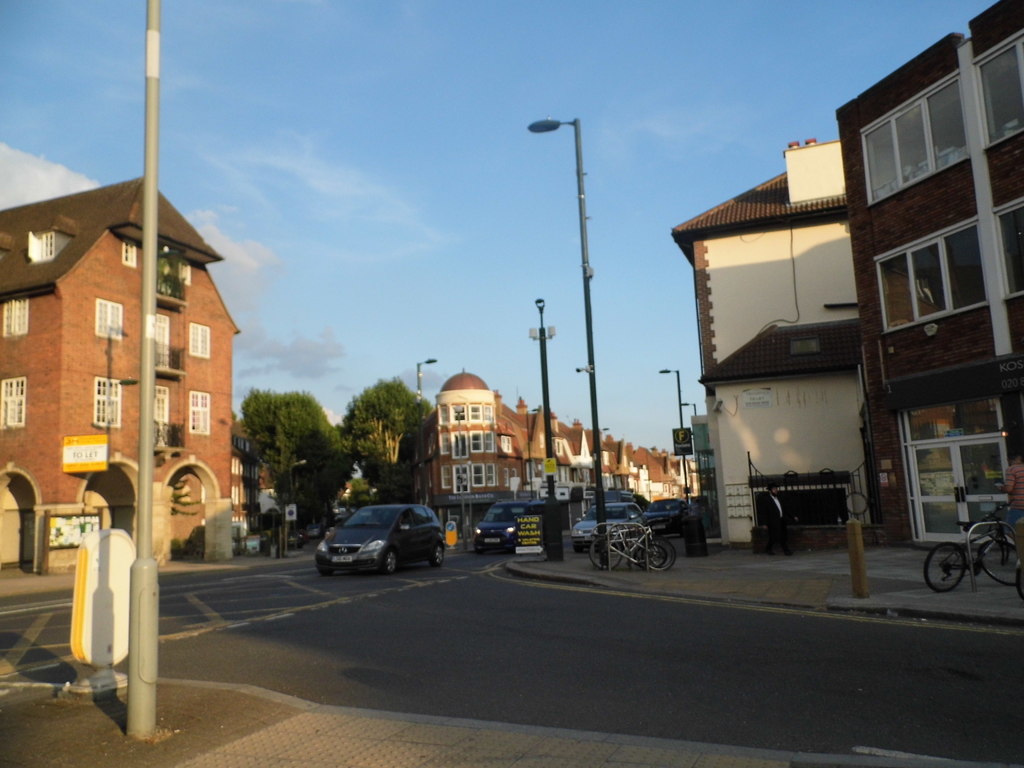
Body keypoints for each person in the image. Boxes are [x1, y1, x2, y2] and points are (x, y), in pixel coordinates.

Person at [756, 483, 797, 555]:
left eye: (776, 489)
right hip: (772, 522)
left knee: (781, 535)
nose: (776, 490)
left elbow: (785, 508)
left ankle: (769, 548)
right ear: (770, 491)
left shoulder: (779, 498)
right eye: (774, 489)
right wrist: (764, 523)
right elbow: (764, 512)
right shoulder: (766, 500)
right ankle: (786, 551)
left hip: (781, 520)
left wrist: (793, 516)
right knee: (776, 536)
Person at [998, 454, 1024, 529]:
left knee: (1009, 529)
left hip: (1019, 505)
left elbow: (1009, 489)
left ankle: (1020, 541)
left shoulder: (1012, 469)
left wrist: (1001, 488)